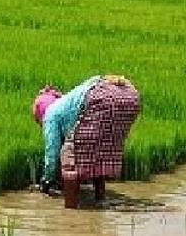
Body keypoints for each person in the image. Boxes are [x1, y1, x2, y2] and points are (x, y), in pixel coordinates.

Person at [32, 75, 140, 208]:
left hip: (101, 95)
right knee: (97, 152)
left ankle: (70, 212)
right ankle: (100, 199)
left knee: (69, 158)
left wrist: (46, 181)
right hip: (129, 93)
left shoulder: (50, 114)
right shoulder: (69, 104)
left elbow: (52, 153)